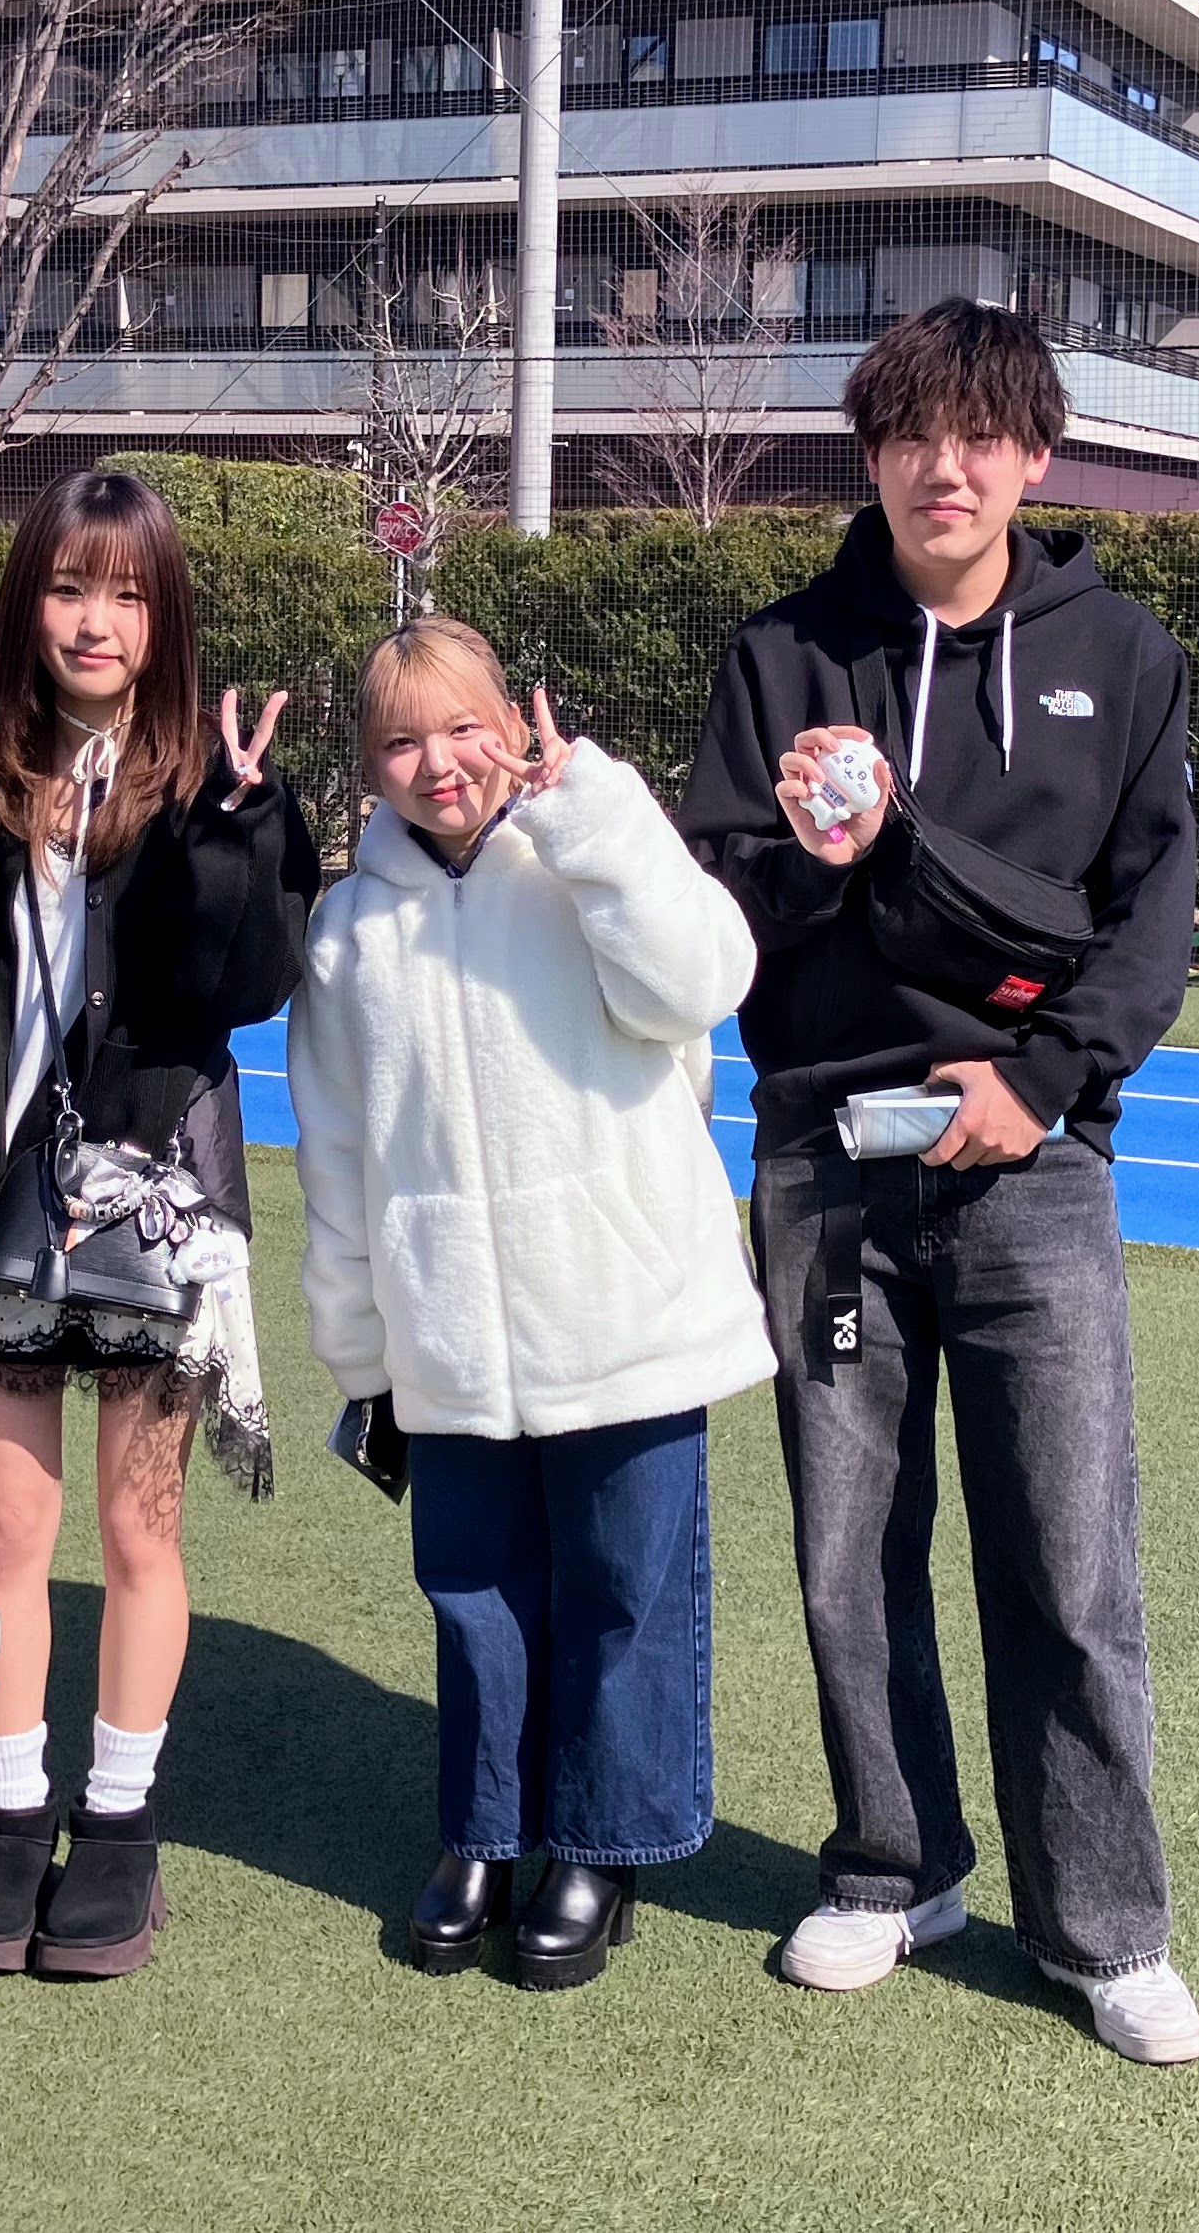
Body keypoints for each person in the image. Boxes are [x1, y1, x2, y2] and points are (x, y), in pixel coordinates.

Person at [675, 299, 1199, 2065]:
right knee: (850, 1551)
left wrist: (1043, 1083)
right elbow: (714, 919)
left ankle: (1104, 1927)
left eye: (982, 437)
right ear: (874, 455)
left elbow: (1151, 912)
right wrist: (813, 856)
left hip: (1033, 1163)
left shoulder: (1119, 654)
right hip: (831, 1159)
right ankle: (894, 1869)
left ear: (1035, 457)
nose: (946, 469)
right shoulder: (782, 654)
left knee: (1069, 1561)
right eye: (913, 435)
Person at [291, 620, 774, 1991]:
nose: (439, 763)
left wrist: (596, 814)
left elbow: (705, 982)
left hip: (623, 1309)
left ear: (515, 722)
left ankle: (604, 1846)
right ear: (369, 765)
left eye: (464, 726)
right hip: (447, 1330)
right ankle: (486, 1834)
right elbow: (337, 1153)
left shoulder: (585, 858)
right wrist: (363, 1355)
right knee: (477, 1595)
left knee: (626, 1590)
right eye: (401, 740)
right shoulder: (348, 931)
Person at [0, 468, 322, 1981]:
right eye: (70, 586)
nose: (96, 621)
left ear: (167, 620)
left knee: (138, 1529)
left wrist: (237, 829)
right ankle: (10, 1811)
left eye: (130, 593)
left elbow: (245, 984)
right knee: (6, 1533)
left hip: (161, 1196)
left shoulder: (218, 786)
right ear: (28, 601)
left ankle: (120, 1817)